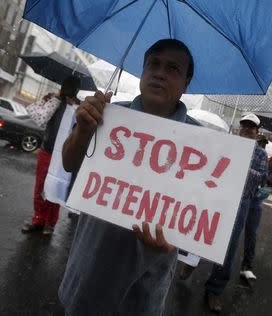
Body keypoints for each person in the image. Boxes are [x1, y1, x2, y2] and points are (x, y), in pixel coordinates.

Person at [58, 39, 199, 315]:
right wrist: (84, 130)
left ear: (186, 83)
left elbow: (196, 218)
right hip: (86, 276)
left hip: (142, 292)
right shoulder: (105, 115)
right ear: (143, 71)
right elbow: (68, 162)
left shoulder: (200, 145)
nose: (159, 73)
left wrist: (170, 243)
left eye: (173, 68)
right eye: (153, 64)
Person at [203, 113, 268, 313]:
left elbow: (260, 178)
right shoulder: (229, 144)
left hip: (241, 203)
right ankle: (191, 260)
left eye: (251, 127)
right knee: (201, 232)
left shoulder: (261, 154)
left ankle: (214, 289)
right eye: (244, 126)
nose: (247, 129)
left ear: (257, 133)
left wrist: (240, 166)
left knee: (229, 247)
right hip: (218, 196)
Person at [21, 75, 81, 236]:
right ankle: (39, 219)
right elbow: (40, 119)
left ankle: (49, 222)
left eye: (72, 88)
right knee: (41, 186)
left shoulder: (78, 107)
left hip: (63, 154)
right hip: (47, 150)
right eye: (68, 87)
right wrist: (46, 100)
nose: (69, 90)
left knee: (55, 186)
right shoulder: (55, 102)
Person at [240, 135, 272, 286]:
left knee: (251, 235)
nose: (262, 146)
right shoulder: (246, 154)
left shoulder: (267, 161)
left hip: (256, 204)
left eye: (264, 144)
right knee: (232, 233)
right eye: (260, 142)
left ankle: (247, 266)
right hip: (242, 199)